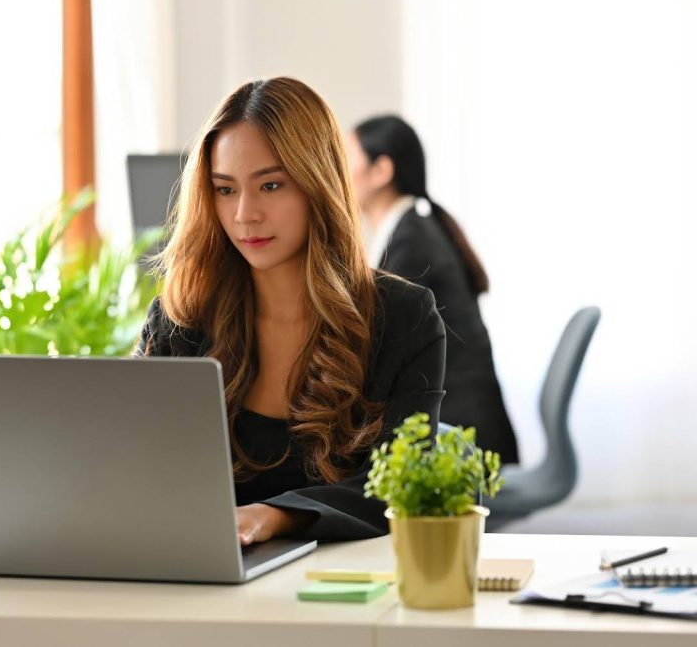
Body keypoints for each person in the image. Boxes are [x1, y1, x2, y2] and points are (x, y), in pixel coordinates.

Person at [134, 78, 446, 544]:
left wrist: (274, 516)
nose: (245, 214)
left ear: (318, 184)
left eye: (271, 185)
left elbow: (400, 487)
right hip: (203, 579)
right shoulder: (182, 318)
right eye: (225, 190)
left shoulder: (403, 317)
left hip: (342, 588)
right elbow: (135, 468)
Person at [345, 114, 519, 464]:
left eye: (347, 160)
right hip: (457, 422)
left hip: (464, 436)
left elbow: (378, 343)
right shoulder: (409, 229)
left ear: (382, 171)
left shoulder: (412, 243)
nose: (339, 172)